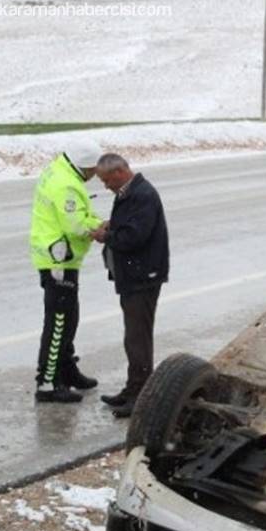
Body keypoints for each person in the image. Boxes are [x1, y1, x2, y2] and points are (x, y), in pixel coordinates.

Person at [92, 153, 169, 417]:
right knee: (133, 337)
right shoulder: (131, 192)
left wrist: (106, 235)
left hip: (142, 277)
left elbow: (135, 237)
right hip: (134, 276)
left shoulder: (142, 194)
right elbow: (132, 225)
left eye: (105, 180)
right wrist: (114, 224)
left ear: (119, 172)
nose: (105, 186)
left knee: (138, 339)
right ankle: (133, 389)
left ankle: (141, 397)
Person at [28, 143, 106, 403]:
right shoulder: (67, 185)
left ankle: (67, 369)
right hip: (58, 261)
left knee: (70, 317)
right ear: (85, 166)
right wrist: (101, 228)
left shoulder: (59, 170)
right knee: (59, 322)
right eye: (94, 171)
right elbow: (74, 224)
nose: (95, 175)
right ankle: (48, 383)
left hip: (59, 257)